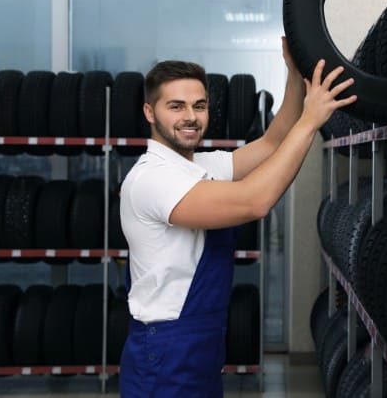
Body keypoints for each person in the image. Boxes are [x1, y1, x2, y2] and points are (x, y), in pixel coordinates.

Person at [118, 37, 356, 398]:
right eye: (176, 106)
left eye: (199, 106)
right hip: (166, 350)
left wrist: (293, 74)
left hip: (200, 341)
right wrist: (311, 121)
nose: (190, 117)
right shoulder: (152, 178)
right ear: (150, 113)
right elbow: (254, 201)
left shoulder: (200, 164)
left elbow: (273, 143)